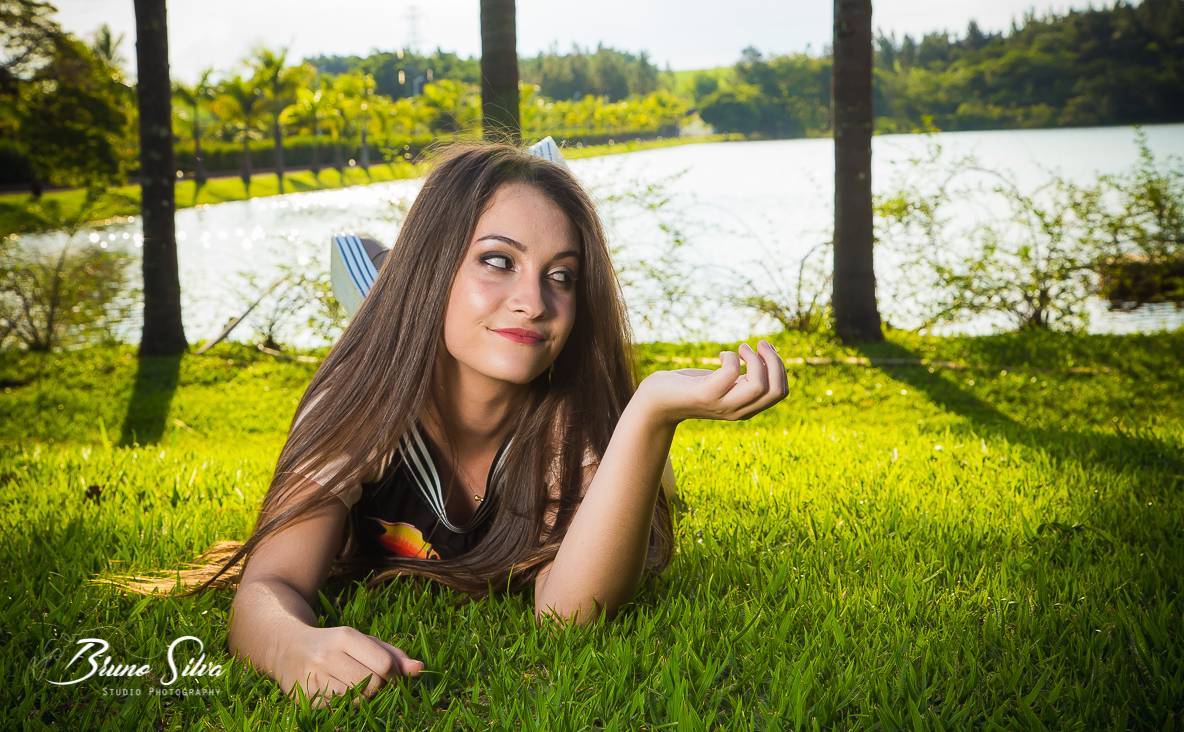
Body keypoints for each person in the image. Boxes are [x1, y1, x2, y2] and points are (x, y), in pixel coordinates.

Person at [131, 140, 789, 708]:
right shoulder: (357, 405)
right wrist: (291, 645)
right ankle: (385, 284)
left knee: (653, 475)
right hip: (405, 344)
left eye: (562, 275)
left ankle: (461, 254)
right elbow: (266, 588)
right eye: (498, 260)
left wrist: (648, 415)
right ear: (435, 265)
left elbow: (569, 616)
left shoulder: (575, 426)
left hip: (576, 426)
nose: (535, 303)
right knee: (388, 330)